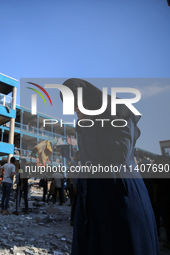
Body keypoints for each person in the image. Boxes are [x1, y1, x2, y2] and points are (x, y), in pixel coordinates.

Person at [61, 78, 159, 255]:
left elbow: (119, 152)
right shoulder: (84, 124)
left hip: (120, 193)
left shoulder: (118, 110)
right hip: (92, 196)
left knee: (122, 243)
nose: (73, 108)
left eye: (75, 102)